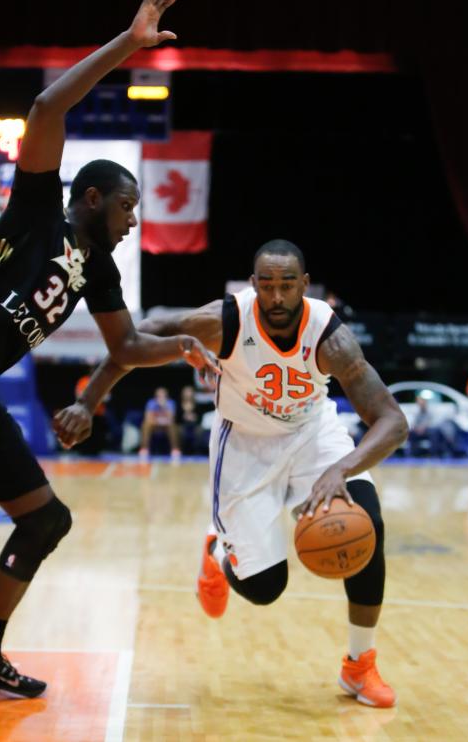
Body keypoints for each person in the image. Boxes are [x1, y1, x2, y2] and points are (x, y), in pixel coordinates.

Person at [0, 0, 215, 699]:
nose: (135, 221)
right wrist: (130, 45)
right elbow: (45, 107)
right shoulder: (38, 213)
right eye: (128, 207)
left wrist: (196, 342)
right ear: (92, 199)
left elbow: (128, 347)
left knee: (45, 521)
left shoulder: (97, 268)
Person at [55, 239, 409, 709]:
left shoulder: (329, 334)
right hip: (243, 442)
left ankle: (359, 665)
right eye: (267, 286)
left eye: (288, 286)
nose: (278, 297)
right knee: (265, 588)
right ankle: (218, 552)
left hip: (313, 433)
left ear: (305, 285)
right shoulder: (226, 320)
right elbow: (137, 339)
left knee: (369, 528)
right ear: (253, 285)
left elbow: (393, 421)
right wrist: (87, 401)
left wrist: (340, 469)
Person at [138, 386, 180, 461]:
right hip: (154, 425)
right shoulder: (151, 402)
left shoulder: (170, 403)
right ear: (155, 396)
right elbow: (148, 418)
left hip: (166, 426)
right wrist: (158, 421)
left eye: (163, 395)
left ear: (166, 395)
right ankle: (144, 449)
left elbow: (171, 418)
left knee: (173, 426)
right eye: (159, 395)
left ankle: (175, 450)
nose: (161, 397)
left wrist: (164, 406)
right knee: (145, 425)